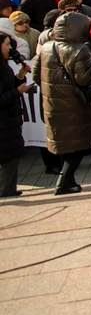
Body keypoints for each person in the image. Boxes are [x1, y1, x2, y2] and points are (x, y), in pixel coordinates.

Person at [34, 12, 91, 194]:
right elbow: (85, 79)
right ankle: (64, 182)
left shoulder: (47, 47)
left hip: (53, 104)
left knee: (66, 143)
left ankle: (67, 180)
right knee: (78, 145)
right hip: (75, 105)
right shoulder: (79, 50)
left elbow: (35, 75)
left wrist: (54, 90)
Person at [0, 26, 31, 198]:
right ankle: (6, 190)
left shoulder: (4, 66)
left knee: (11, 155)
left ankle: (8, 188)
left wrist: (20, 75)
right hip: (4, 122)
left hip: (9, 120)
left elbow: (10, 84)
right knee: (8, 156)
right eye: (6, 45)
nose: (10, 48)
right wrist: (17, 91)